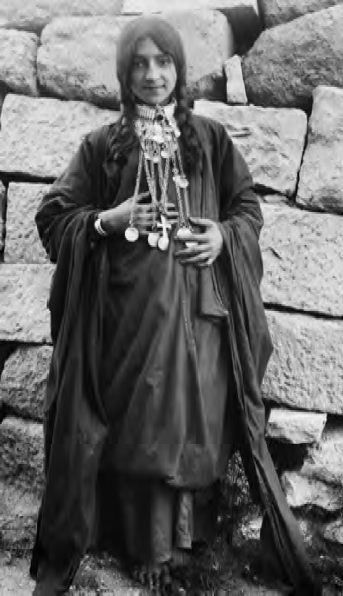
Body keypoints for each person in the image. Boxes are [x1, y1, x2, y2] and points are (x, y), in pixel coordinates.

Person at [30, 16, 322, 596]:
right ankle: (143, 544)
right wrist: (105, 221)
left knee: (190, 425)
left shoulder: (209, 141)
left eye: (162, 62)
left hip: (199, 318)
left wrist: (222, 238)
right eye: (138, 64)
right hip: (126, 321)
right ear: (123, 73)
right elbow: (51, 217)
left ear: (179, 69)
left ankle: (184, 540)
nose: (152, 74)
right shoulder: (102, 147)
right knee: (139, 426)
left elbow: (247, 210)